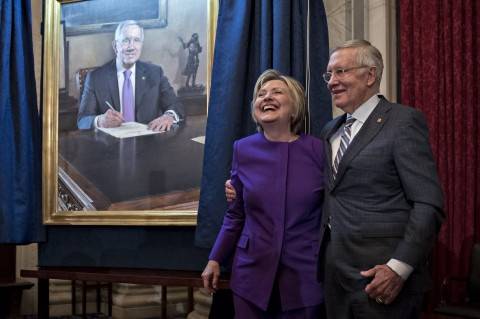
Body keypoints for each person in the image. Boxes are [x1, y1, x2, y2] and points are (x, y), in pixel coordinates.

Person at [316, 39, 444, 318]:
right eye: (329, 74)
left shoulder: (403, 122)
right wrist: (240, 187)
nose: (332, 82)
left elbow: (428, 203)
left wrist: (398, 267)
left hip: (381, 279)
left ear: (370, 75)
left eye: (341, 72)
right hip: (335, 278)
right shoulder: (329, 130)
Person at [202, 69, 326, 318]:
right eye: (261, 94)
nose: (267, 97)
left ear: (295, 107)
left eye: (277, 92)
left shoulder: (319, 150)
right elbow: (235, 215)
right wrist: (215, 258)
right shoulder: (243, 149)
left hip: (305, 274)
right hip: (251, 276)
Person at [77, 20, 184, 131]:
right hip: (111, 145)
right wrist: (99, 120)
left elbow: (176, 105)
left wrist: (169, 116)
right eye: (126, 40)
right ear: (115, 46)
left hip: (149, 143)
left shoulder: (155, 73)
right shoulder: (96, 78)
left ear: (141, 45)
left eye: (136, 40)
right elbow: (82, 121)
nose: (131, 47)